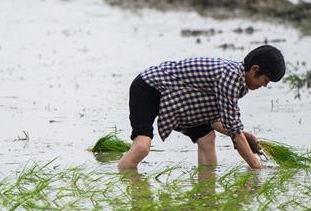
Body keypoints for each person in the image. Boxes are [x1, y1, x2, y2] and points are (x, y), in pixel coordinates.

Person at [117, 45, 285, 171]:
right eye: (265, 80)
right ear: (255, 69)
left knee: (207, 139)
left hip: (178, 101)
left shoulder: (241, 84)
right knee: (142, 147)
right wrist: (257, 166)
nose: (265, 85)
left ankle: (206, 194)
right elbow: (234, 128)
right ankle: (126, 185)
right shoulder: (231, 76)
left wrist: (243, 135)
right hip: (149, 88)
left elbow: (215, 120)